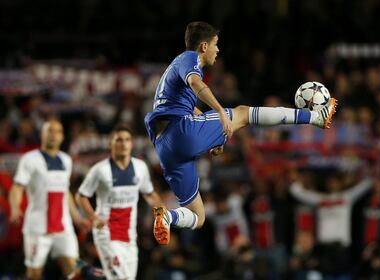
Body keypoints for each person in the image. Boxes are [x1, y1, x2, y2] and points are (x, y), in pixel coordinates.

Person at [144, 21, 337, 245]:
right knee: (243, 114)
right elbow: (196, 83)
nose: (218, 50)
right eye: (216, 44)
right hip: (180, 131)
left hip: (165, 148)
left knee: (198, 216)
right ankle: (315, 118)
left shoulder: (172, 72)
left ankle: (167, 216)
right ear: (204, 46)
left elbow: (188, 108)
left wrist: (208, 137)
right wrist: (219, 112)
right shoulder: (189, 58)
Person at [76, 125, 164, 280]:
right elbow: (81, 196)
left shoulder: (140, 167)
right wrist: (93, 217)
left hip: (129, 235)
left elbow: (150, 195)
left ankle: (88, 273)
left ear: (131, 144)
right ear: (110, 143)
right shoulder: (99, 170)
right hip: (106, 233)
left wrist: (161, 214)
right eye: (119, 140)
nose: (123, 144)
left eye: (127, 140)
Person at [8, 119, 90, 280]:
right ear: (42, 134)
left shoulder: (66, 160)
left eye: (57, 131)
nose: (53, 135)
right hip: (37, 228)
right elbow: (17, 187)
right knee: (34, 275)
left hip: (63, 227)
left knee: (75, 272)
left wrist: (77, 219)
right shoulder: (30, 159)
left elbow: (65, 192)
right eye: (49, 130)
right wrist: (15, 207)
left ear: (62, 137)